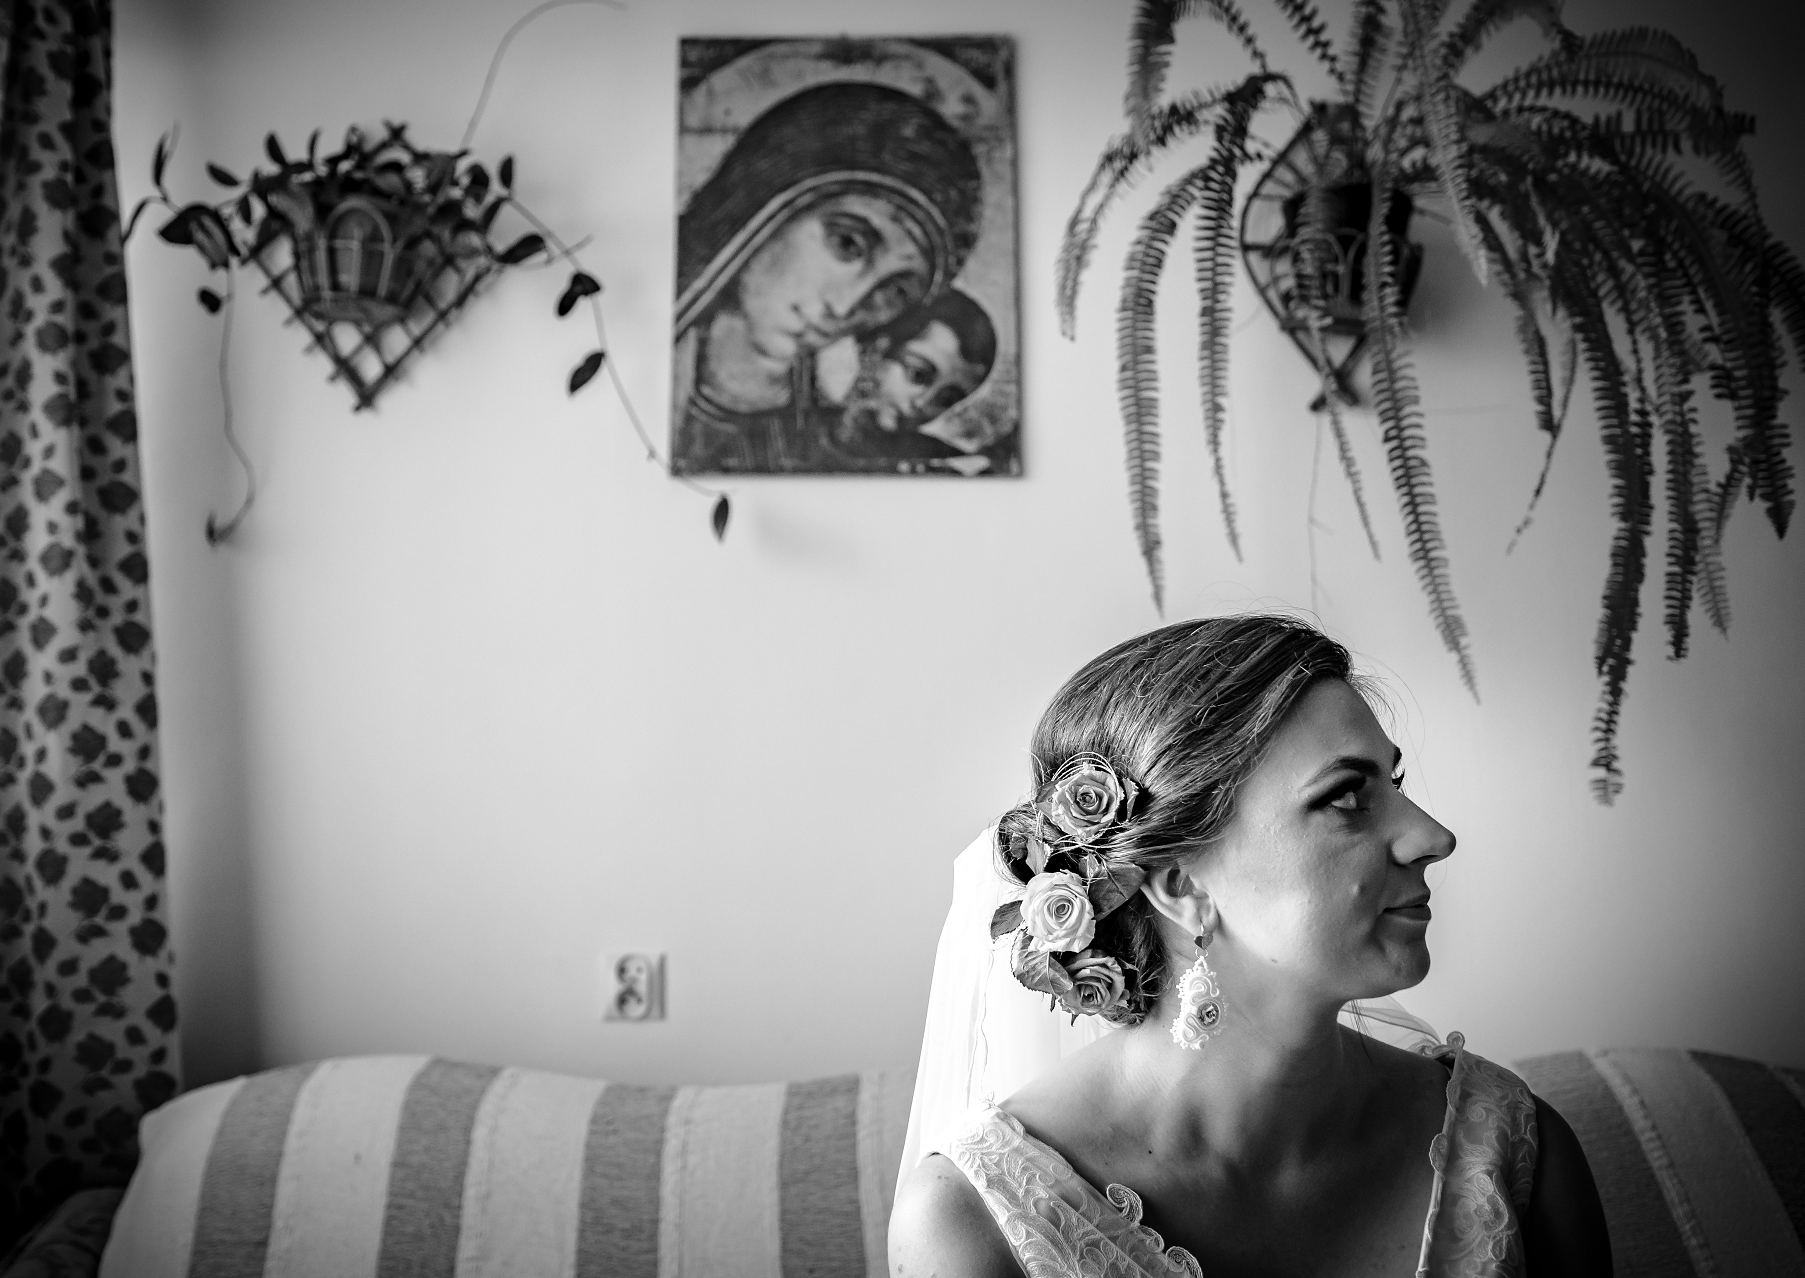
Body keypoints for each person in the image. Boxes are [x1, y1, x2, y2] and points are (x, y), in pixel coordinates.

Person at [889, 615, 1610, 1277]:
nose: (1433, 836)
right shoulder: (974, 1223)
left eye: (1394, 782)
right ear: (1179, 884)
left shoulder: (1513, 1152)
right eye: (1346, 796)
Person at [672, 80, 983, 473]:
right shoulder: (637, 354)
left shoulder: (828, 436)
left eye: (896, 291)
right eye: (847, 244)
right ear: (763, 208)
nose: (844, 307)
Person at [831, 287, 998, 462]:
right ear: (878, 348)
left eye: (946, 399)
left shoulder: (941, 463)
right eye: (918, 375)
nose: (921, 402)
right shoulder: (812, 423)